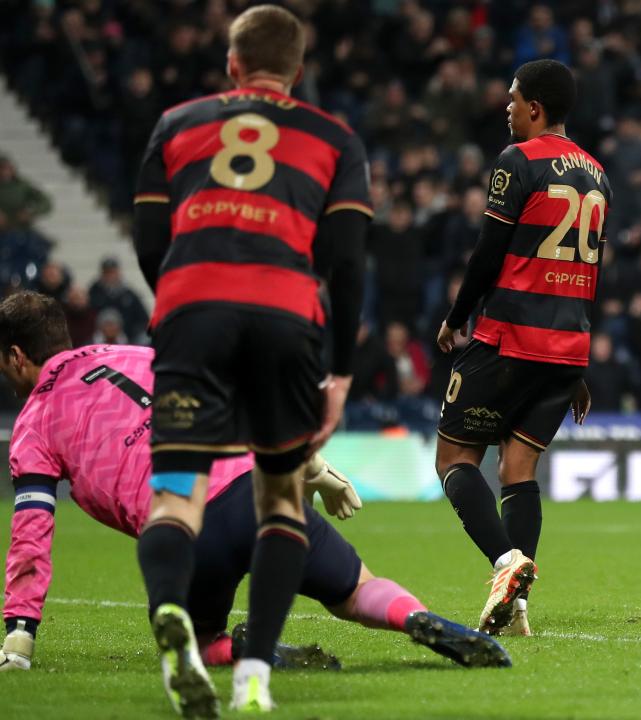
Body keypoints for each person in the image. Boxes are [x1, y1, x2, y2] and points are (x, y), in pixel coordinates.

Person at [0, 292, 510, 677]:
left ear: (17, 356)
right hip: (258, 487)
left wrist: (20, 637)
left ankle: (242, 649)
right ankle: (416, 618)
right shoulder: (130, 355)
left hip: (185, 525)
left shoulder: (32, 426)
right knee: (357, 590)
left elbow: (31, 534)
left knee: (194, 644)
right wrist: (314, 468)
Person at [131, 6, 371, 714]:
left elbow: (149, 241)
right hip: (286, 312)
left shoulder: (177, 124)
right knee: (280, 499)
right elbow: (349, 261)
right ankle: (254, 676)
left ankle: (171, 613)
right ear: (297, 73)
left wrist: (187, 299)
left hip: (190, 309)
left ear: (232, 64)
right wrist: (342, 370)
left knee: (177, 497)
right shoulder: (332, 136)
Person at [435, 59, 611, 637]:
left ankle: (506, 562)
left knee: (456, 460)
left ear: (535, 107)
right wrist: (579, 361)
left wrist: (457, 318)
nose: (506, 108)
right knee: (519, 467)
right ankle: (516, 610)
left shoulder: (518, 160)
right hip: (566, 348)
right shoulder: (598, 175)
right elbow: (591, 270)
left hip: (508, 337)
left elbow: (489, 250)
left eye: (512, 99)